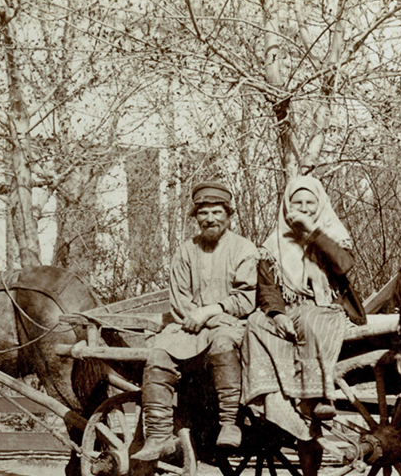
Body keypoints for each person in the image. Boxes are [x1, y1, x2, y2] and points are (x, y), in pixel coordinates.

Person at [132, 181, 257, 461]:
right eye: (203, 213)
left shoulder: (244, 250)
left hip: (231, 326)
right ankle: (159, 435)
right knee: (158, 355)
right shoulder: (185, 251)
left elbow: (246, 298)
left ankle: (228, 424)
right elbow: (179, 301)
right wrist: (203, 317)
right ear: (196, 217)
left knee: (223, 344)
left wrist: (211, 312)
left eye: (216, 212)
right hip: (188, 327)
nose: (210, 219)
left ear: (228, 214)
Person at [243, 175, 365, 435]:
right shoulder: (274, 242)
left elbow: (343, 265)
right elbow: (267, 285)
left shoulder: (332, 234)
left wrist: (313, 230)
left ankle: (318, 397)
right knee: (256, 322)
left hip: (322, 304)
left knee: (314, 321)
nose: (304, 207)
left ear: (320, 204)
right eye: (297, 202)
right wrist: (277, 314)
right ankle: (271, 396)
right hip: (288, 307)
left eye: (310, 202)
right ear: (287, 206)